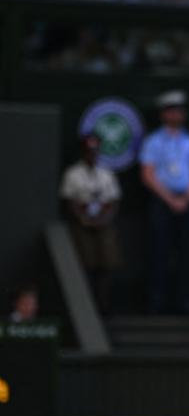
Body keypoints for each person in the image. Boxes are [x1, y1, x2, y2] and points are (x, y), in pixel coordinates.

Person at [140, 90, 189, 314]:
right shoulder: (153, 142)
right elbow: (148, 174)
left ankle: (184, 302)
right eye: (172, 110)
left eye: (180, 110)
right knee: (159, 252)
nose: (177, 114)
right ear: (164, 114)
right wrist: (169, 199)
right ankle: (156, 302)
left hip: (187, 202)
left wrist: (186, 198)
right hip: (162, 202)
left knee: (187, 253)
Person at [60, 133, 122, 312]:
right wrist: (83, 218)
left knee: (107, 263)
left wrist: (103, 218)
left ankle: (103, 305)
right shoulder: (73, 174)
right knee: (85, 264)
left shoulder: (106, 174)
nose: (92, 155)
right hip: (82, 225)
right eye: (89, 151)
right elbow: (69, 201)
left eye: (95, 151)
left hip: (103, 224)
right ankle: (84, 306)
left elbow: (113, 201)